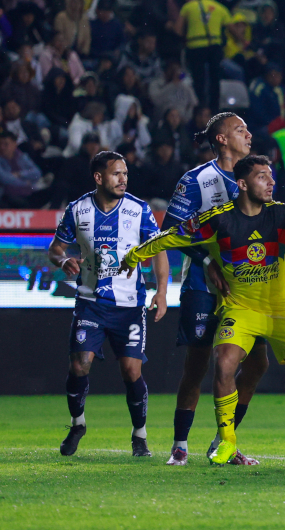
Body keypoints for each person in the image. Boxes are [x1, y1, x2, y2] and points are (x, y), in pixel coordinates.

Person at [120, 155, 285, 465]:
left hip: (268, 308)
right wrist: (141, 253)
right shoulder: (207, 200)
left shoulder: (278, 213)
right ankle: (196, 443)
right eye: (263, 177)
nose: (272, 182)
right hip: (221, 297)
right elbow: (174, 233)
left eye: (270, 177)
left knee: (284, 370)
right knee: (210, 363)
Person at [159, 112, 267, 466]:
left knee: (257, 364)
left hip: (248, 287)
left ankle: (226, 441)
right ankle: (180, 444)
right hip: (203, 285)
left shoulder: (256, 177)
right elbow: (171, 231)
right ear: (221, 139)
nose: (248, 134)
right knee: (198, 363)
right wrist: (206, 260)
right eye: (240, 129)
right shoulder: (196, 180)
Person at [51, 150, 168, 457]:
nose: (123, 179)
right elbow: (55, 248)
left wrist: (162, 291)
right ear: (99, 177)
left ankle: (139, 435)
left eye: (126, 174)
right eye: (117, 173)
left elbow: (159, 250)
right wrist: (63, 261)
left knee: (131, 371)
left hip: (129, 306)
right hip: (90, 302)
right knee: (79, 365)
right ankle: (78, 423)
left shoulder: (139, 210)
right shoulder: (77, 210)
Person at [175, 0, 231, 109]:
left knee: (198, 79)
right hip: (214, 46)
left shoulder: (188, 6)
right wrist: (244, 41)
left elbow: (178, 29)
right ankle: (214, 109)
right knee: (215, 79)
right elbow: (232, 28)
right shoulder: (220, 8)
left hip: (195, 46)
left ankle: (200, 108)